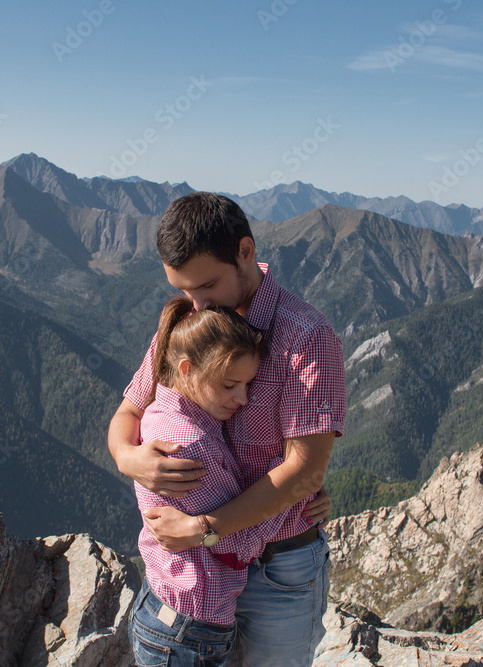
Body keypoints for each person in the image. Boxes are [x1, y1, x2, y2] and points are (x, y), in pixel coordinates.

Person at [109, 191, 347, 665]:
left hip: (277, 568)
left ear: (246, 251)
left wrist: (204, 529)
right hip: (196, 576)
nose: (197, 303)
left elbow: (304, 473)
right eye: (184, 291)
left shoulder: (307, 338)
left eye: (208, 285)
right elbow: (128, 414)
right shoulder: (191, 327)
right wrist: (128, 458)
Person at [130, 296, 316, 666]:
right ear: (186, 369)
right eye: (230, 385)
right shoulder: (191, 445)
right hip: (191, 627)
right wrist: (295, 491)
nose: (243, 398)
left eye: (247, 385)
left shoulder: (161, 411)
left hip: (166, 611)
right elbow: (237, 543)